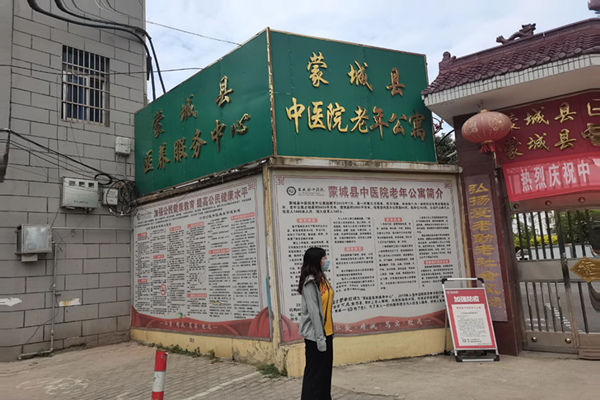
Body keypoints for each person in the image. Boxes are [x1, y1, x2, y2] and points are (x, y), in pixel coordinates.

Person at [298, 247, 334, 400]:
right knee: (314, 376)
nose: (326, 261)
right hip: (315, 337)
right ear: (316, 261)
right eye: (324, 258)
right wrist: (320, 339)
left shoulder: (322, 279)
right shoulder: (310, 283)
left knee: (325, 375)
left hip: (327, 334)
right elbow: (314, 313)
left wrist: (327, 335)